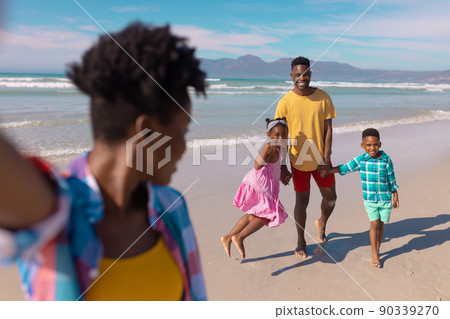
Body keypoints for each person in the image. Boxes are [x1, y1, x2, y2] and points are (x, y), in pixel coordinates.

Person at [0, 22, 207, 300]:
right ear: (146, 131)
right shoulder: (55, 211)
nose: (184, 146)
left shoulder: (171, 207)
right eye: (182, 131)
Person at [275, 56, 337, 257]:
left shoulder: (323, 97)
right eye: (298, 74)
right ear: (291, 76)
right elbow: (280, 137)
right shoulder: (284, 102)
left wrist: (325, 158)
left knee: (331, 198)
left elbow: (328, 129)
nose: (302, 77)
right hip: (298, 160)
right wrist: (282, 166)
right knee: (302, 202)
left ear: (310, 74)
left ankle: (322, 223)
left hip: (321, 159)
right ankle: (301, 242)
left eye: (306, 73)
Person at [323, 128, 399, 268]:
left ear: (380, 144)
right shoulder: (361, 160)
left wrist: (395, 195)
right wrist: (329, 171)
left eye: (375, 144)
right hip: (370, 199)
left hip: (385, 198)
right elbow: (345, 168)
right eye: (368, 145)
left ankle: (378, 247)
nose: (372, 148)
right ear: (362, 146)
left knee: (381, 225)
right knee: (374, 224)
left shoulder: (386, 159)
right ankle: (374, 254)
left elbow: (391, 178)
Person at [221, 118, 291, 259]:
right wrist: (267, 151)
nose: (280, 138)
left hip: (267, 182)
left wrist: (285, 174)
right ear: (269, 135)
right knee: (268, 214)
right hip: (262, 182)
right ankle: (239, 237)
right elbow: (257, 165)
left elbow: (282, 164)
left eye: (284, 135)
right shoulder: (269, 146)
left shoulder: (284, 147)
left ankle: (228, 237)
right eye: (276, 135)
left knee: (253, 215)